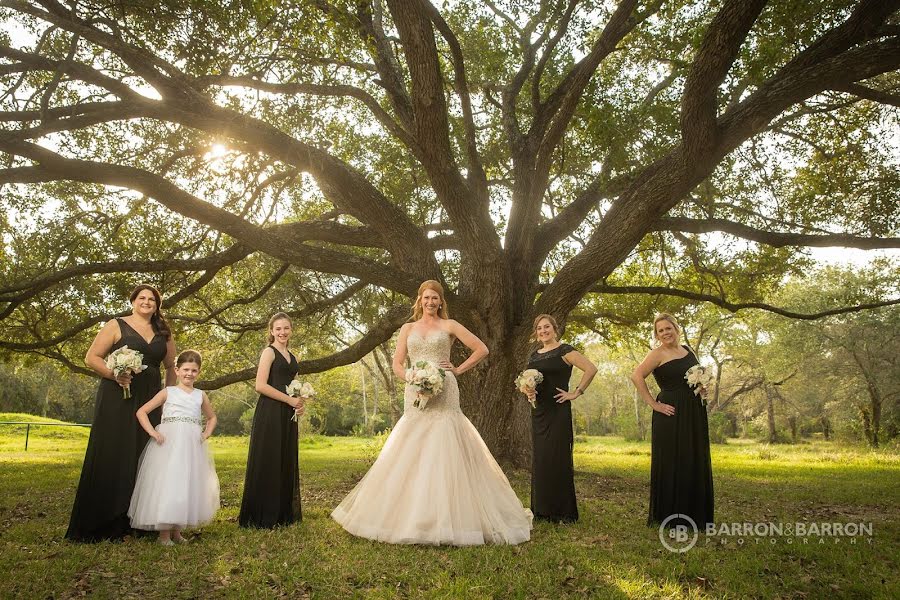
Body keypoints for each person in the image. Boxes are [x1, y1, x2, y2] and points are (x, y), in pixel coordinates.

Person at [332, 280, 533, 545]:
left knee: (445, 442)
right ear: (420, 301)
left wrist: (457, 370)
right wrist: (410, 378)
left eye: (435, 299)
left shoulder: (449, 326)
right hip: (414, 391)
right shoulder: (407, 328)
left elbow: (482, 349)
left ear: (440, 302)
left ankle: (449, 518)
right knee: (411, 445)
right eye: (426, 298)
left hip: (445, 391)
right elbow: (397, 362)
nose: (430, 302)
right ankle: (408, 517)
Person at [66, 284, 176, 542]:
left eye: (152, 299)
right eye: (142, 298)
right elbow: (91, 357)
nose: (146, 302)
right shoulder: (116, 324)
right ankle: (105, 520)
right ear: (133, 301)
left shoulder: (164, 332)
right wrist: (114, 374)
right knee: (113, 450)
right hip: (118, 396)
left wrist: (169, 398)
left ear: (157, 305)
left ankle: (139, 521)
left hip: (150, 398)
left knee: (145, 454)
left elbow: (171, 366)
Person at [630, 313, 714, 528]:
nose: (665, 333)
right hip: (671, 412)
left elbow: (694, 377)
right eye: (661, 330)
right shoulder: (657, 354)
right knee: (674, 460)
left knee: (693, 457)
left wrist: (702, 388)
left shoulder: (688, 350)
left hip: (694, 410)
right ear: (657, 335)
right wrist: (653, 404)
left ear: (677, 329)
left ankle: (695, 514)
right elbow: (636, 376)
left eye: (669, 328)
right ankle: (671, 516)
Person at [128, 350, 220, 544]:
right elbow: (142, 412)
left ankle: (177, 532)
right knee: (169, 483)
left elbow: (211, 417)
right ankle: (163, 535)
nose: (189, 374)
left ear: (199, 372)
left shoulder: (200, 395)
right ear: (177, 370)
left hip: (191, 445)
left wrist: (206, 433)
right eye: (186, 369)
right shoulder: (168, 392)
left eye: (194, 370)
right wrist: (153, 432)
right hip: (169, 443)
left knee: (186, 483)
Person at [523, 314, 597, 523]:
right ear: (536, 333)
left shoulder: (565, 350)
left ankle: (562, 511)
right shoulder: (534, 355)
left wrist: (576, 392)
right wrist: (528, 392)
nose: (543, 331)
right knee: (542, 459)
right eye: (539, 328)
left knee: (557, 457)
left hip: (558, 410)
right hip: (539, 411)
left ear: (555, 329)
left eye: (547, 327)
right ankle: (542, 509)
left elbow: (591, 369)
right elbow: (529, 381)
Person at [238, 313, 306, 528]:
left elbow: (293, 385)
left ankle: (282, 514)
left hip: (288, 413)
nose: (282, 332)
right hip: (270, 411)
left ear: (291, 330)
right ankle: (262, 515)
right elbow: (260, 385)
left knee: (284, 457)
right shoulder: (269, 352)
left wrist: (300, 402)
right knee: (269, 458)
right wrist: (289, 400)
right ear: (271, 331)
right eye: (278, 329)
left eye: (286, 328)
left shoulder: (293, 356)